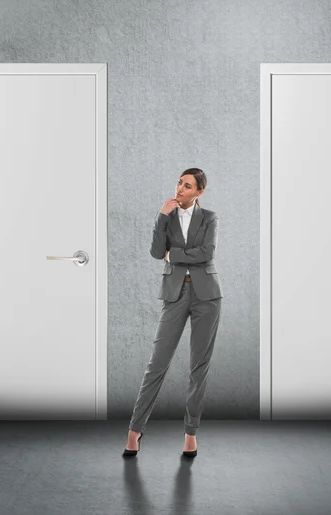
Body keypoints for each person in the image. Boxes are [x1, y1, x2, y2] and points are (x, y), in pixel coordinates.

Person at [123, 168, 223, 458]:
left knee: (198, 367)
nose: (179, 189)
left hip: (207, 295)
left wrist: (174, 255)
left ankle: (190, 433)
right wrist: (161, 217)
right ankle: (135, 430)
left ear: (199, 193)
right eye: (179, 182)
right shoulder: (167, 214)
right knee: (157, 363)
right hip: (174, 293)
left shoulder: (210, 217)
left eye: (187, 186)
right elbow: (156, 252)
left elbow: (207, 253)